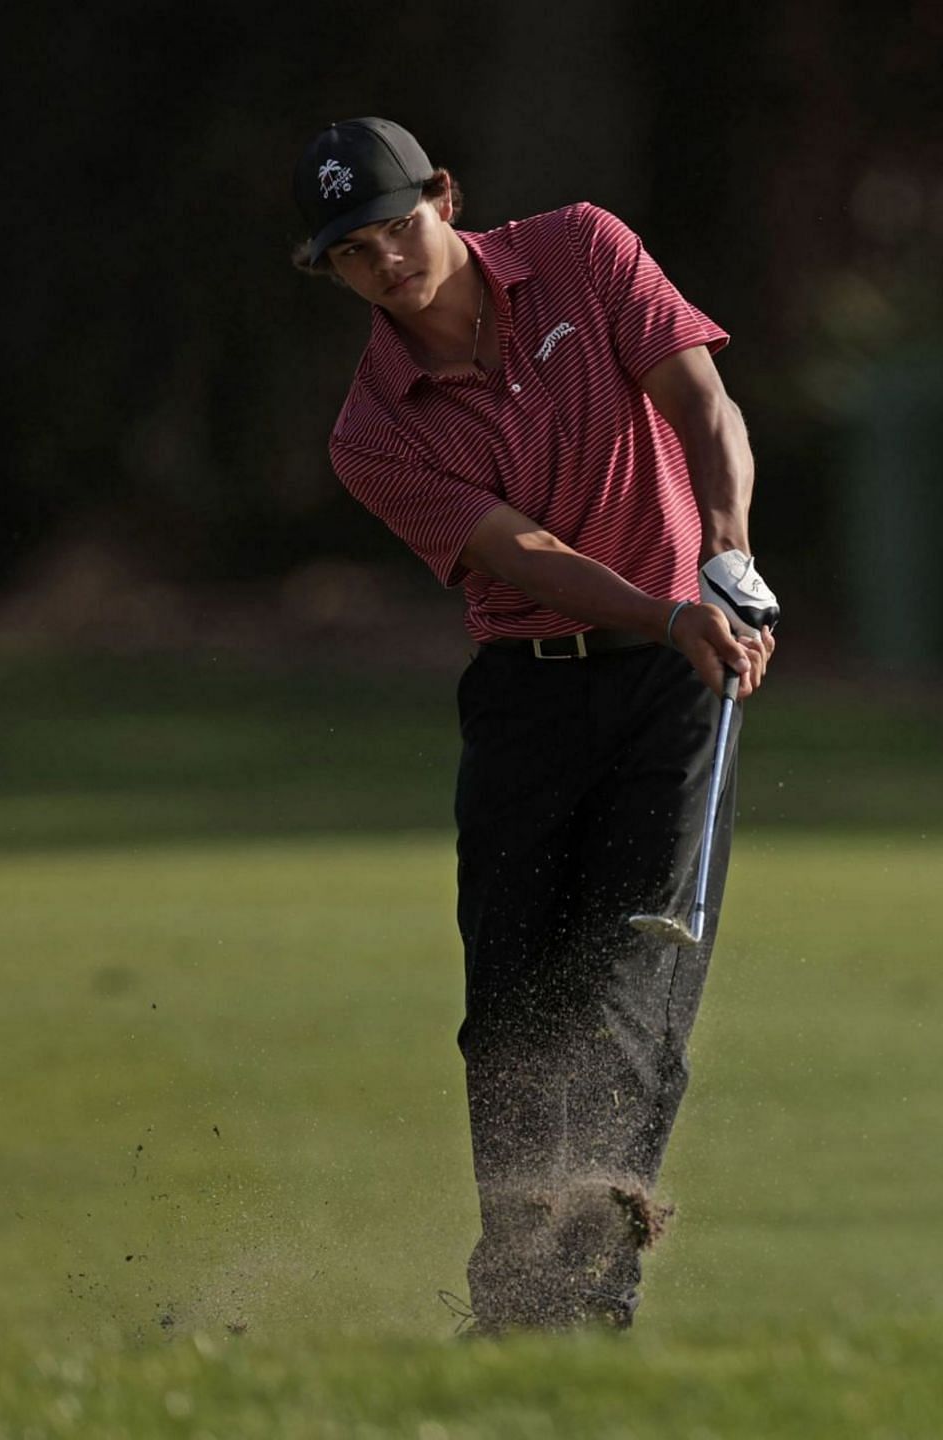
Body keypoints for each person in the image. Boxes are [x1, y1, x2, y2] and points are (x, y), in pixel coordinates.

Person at [292, 118, 779, 1333]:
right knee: (510, 1004)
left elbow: (704, 402)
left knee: (633, 964)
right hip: (527, 695)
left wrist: (723, 558)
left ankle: (588, 1294)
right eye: (353, 253)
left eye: (399, 226)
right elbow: (525, 553)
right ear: (334, 270)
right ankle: (519, 1296)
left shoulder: (584, 251)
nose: (388, 262)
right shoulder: (373, 429)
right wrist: (670, 612)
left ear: (444, 198)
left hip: (674, 690)